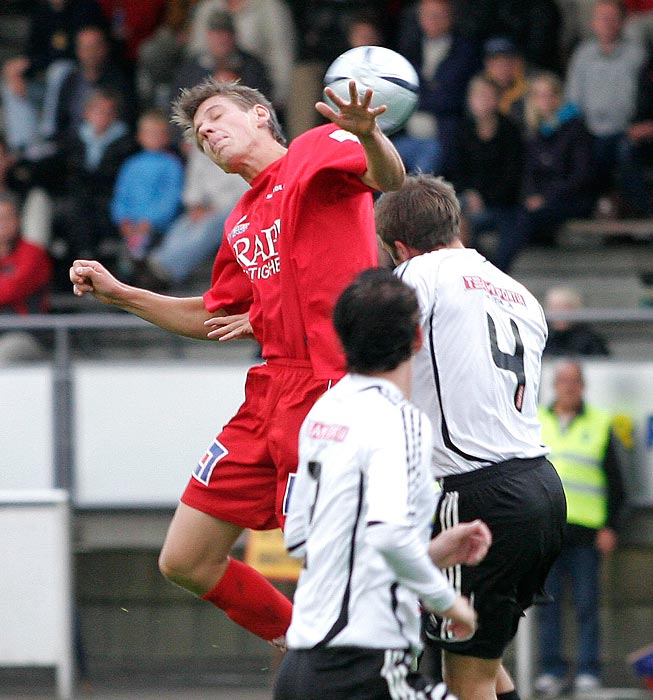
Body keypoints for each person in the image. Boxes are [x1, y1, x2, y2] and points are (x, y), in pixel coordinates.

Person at [69, 76, 406, 647]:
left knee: (337, 565)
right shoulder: (242, 220)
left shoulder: (317, 147)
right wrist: (122, 294)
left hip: (332, 391)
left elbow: (388, 178)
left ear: (258, 115)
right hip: (270, 391)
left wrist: (369, 133)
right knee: (185, 559)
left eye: (218, 116)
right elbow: (213, 316)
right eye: (200, 135)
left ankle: (375, 663)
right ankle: (306, 641)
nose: (208, 132)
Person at [375, 174, 567, 700]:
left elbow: (371, 337)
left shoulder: (416, 275)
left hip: (478, 492)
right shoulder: (519, 292)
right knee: (485, 662)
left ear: (398, 247)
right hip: (541, 486)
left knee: (464, 680)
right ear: (455, 223)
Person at [275, 267, 490, 700]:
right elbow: (388, 533)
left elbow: (302, 538)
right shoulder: (401, 420)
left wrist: (431, 552)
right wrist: (448, 601)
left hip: (300, 669)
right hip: (366, 667)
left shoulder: (323, 412)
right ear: (417, 339)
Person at [535, 359, 630, 696]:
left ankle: (589, 669)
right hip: (547, 532)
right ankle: (551, 669)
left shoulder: (601, 423)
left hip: (587, 534)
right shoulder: (536, 421)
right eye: (563, 381)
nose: (568, 387)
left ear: (583, 386)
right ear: (555, 385)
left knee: (588, 605)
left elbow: (617, 482)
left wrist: (610, 526)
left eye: (574, 381)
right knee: (547, 605)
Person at [564, 0, 647, 217]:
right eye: (602, 18)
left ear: (623, 22)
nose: (607, 23)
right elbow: (573, 102)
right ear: (593, 23)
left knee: (626, 151)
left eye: (613, 18)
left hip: (628, 131)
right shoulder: (582, 55)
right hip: (590, 131)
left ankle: (641, 214)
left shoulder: (638, 55)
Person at [136, 143, 249, 291]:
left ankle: (167, 271)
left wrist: (213, 209)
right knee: (183, 225)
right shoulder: (200, 152)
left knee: (209, 226)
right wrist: (195, 205)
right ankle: (157, 262)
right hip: (208, 206)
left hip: (236, 208)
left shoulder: (238, 149)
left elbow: (245, 190)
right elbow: (193, 186)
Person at [444, 74, 526, 272]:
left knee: (517, 224)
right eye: (478, 96)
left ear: (497, 99)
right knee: (456, 224)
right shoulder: (460, 131)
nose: (483, 101)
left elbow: (513, 174)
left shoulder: (510, 131)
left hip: (502, 202)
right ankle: (476, 271)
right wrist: (469, 193)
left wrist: (485, 196)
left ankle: (498, 272)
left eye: (488, 96)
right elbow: (452, 170)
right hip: (465, 200)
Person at [394, 0, 482, 174]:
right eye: (427, 15)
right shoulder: (409, 48)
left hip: (443, 138)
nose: (433, 20)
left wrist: (419, 95)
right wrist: (432, 91)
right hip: (404, 136)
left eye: (438, 15)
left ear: (450, 18)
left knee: (425, 164)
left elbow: (452, 98)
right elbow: (398, 95)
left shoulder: (464, 51)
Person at [521, 71, 596, 246]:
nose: (544, 100)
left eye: (549, 95)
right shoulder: (532, 131)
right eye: (539, 95)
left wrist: (545, 197)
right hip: (541, 198)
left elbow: (581, 175)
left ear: (558, 97)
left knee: (531, 217)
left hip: (572, 198)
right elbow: (528, 171)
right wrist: (531, 195)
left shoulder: (575, 128)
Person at [110, 108, 184, 265]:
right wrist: (123, 219)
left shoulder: (171, 164)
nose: (154, 138)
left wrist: (151, 222)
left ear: (166, 137)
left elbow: (171, 198)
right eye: (149, 133)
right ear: (140, 137)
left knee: (144, 251)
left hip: (158, 228)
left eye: (158, 134)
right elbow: (122, 195)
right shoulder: (131, 164)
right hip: (130, 227)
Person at [0, 192, 53, 364]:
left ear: (18, 221)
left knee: (4, 354)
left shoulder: (32, 253)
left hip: (25, 334)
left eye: (6, 218)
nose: (2, 224)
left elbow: (8, 291)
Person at [543, 285, 610, 356]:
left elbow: (602, 362)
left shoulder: (590, 339)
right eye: (555, 308)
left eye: (565, 307)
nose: (559, 313)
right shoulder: (541, 337)